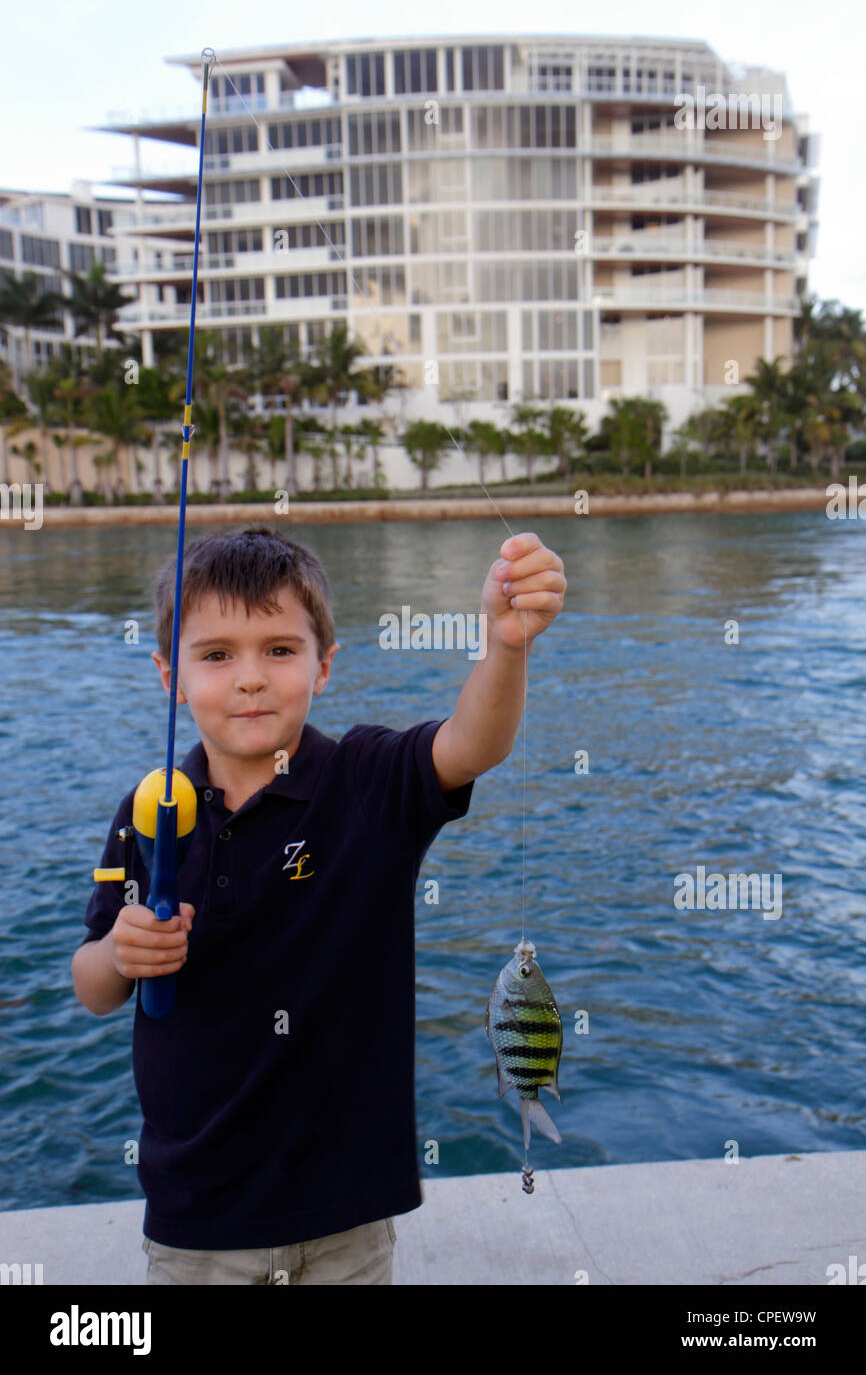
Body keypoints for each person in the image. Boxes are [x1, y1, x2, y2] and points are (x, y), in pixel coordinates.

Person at [71, 523, 566, 1285]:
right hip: (196, 1212)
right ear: (169, 673)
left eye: (279, 649)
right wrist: (120, 954)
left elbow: (475, 742)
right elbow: (94, 986)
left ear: (323, 665)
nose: (249, 678)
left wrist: (505, 646)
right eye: (215, 655)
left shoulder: (367, 781)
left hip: (346, 1211)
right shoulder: (149, 811)